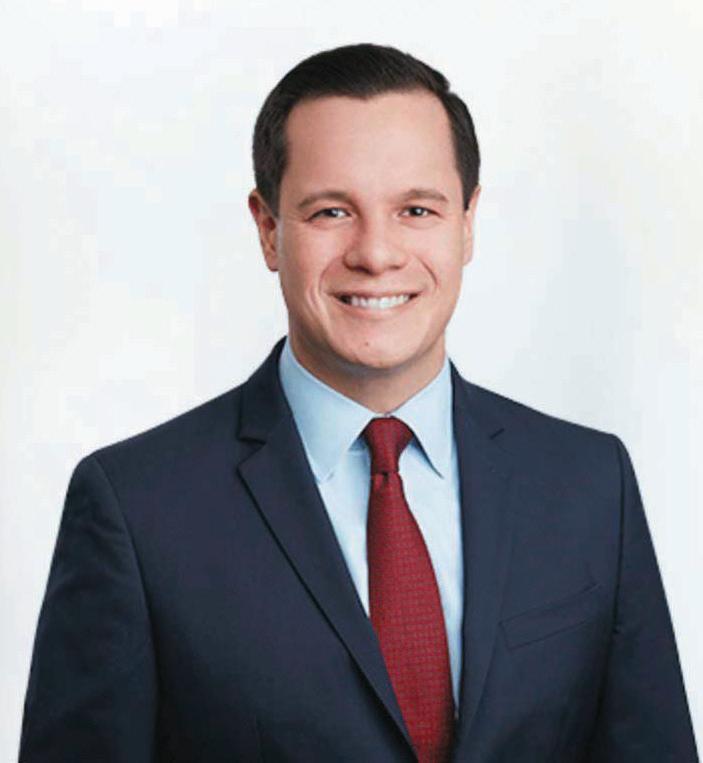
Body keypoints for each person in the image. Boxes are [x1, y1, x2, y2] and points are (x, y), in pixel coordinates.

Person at [19, 43, 698, 763]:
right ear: (268, 229)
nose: (376, 253)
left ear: (467, 222)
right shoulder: (137, 509)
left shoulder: (589, 484)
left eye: (416, 209)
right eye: (331, 211)